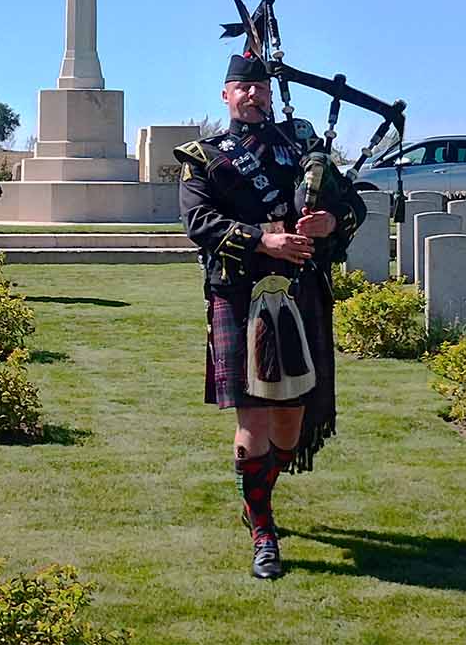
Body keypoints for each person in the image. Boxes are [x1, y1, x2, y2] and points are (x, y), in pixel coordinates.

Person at [174, 53, 366, 579]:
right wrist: (265, 239)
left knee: (290, 424)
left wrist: (330, 222)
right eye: (242, 88)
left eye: (259, 87)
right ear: (226, 96)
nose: (253, 96)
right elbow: (199, 221)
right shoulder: (204, 158)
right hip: (238, 293)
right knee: (253, 419)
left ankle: (254, 492)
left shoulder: (300, 150)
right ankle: (263, 530)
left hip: (299, 292)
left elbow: (355, 208)